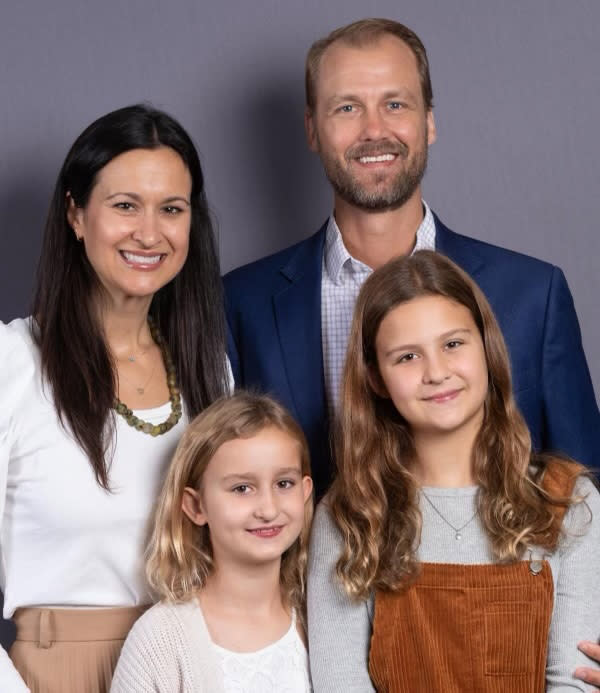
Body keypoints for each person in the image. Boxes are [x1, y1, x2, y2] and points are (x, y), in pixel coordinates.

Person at [224, 18, 600, 500]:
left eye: (395, 104)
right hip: (315, 573)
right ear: (312, 129)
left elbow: (581, 483)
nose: (374, 130)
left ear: (429, 122)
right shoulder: (241, 303)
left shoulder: (532, 295)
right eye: (347, 108)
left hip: (495, 573)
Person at [0, 104, 230, 692]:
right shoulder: (13, 363)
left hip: (188, 667)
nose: (149, 233)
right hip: (52, 674)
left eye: (171, 209)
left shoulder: (210, 373)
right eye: (125, 205)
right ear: (76, 214)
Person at [307, 250, 600, 692]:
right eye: (407, 357)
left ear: (487, 347)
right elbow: (340, 683)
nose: (437, 372)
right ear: (375, 378)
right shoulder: (350, 515)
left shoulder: (565, 502)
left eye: (453, 344)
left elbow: (574, 683)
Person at [110, 392, 313, 692]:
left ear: (305, 491)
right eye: (242, 488)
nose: (268, 509)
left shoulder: (317, 622)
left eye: (284, 484)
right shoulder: (159, 641)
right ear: (196, 506)